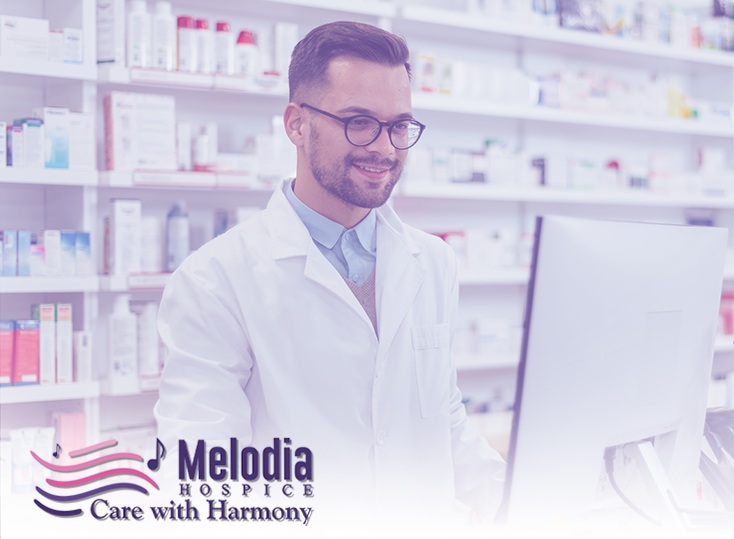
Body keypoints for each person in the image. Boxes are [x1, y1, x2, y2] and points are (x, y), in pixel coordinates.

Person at [153, 21, 506, 525]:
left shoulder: (432, 262)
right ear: (297, 124)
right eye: (359, 122)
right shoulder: (213, 279)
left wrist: (516, 505)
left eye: (399, 125)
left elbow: (444, 419)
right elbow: (202, 471)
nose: (385, 148)